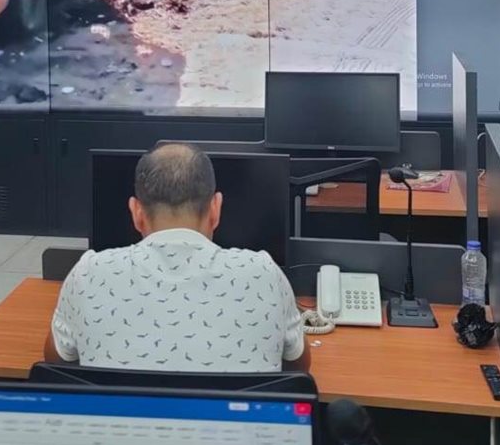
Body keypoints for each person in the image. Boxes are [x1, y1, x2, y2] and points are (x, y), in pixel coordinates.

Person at [44, 142, 309, 373]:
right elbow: (298, 366)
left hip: (122, 417)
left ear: (136, 213)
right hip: (231, 417)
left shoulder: (89, 273)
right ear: (216, 209)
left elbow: (58, 363)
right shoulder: (263, 273)